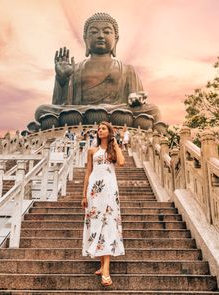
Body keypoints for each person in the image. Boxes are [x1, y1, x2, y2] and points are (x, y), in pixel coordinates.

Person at [33, 13, 160, 130]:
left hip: (117, 112)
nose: (100, 36)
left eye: (107, 32)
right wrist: (62, 80)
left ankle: (100, 113)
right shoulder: (75, 69)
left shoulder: (127, 70)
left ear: (116, 39)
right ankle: (98, 114)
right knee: (42, 110)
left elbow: (137, 102)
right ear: (85, 39)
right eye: (94, 32)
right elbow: (61, 105)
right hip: (81, 113)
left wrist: (136, 99)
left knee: (154, 111)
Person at [81, 121, 125, 286]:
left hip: (109, 191)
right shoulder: (92, 150)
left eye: (103, 128)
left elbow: (121, 163)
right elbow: (88, 173)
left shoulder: (113, 150)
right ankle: (101, 265)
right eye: (98, 129)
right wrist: (84, 194)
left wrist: (116, 144)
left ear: (110, 131)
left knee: (108, 225)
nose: (100, 130)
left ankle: (105, 269)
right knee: (97, 224)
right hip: (94, 192)